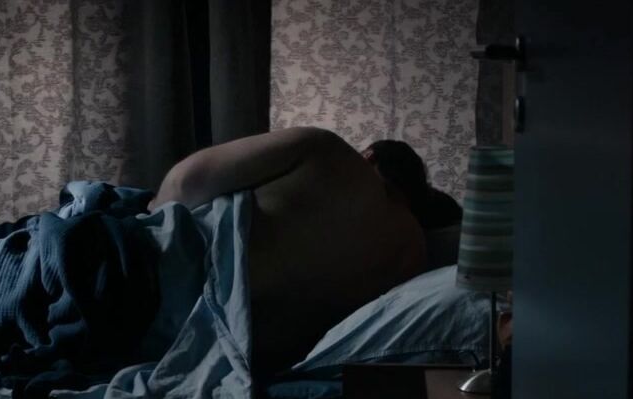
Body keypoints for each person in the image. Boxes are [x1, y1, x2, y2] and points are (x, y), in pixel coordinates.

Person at [149, 126, 430, 375]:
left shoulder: (331, 153)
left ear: (368, 155)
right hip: (216, 346)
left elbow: (184, 182)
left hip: (159, 270)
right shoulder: (411, 253)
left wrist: (151, 210)